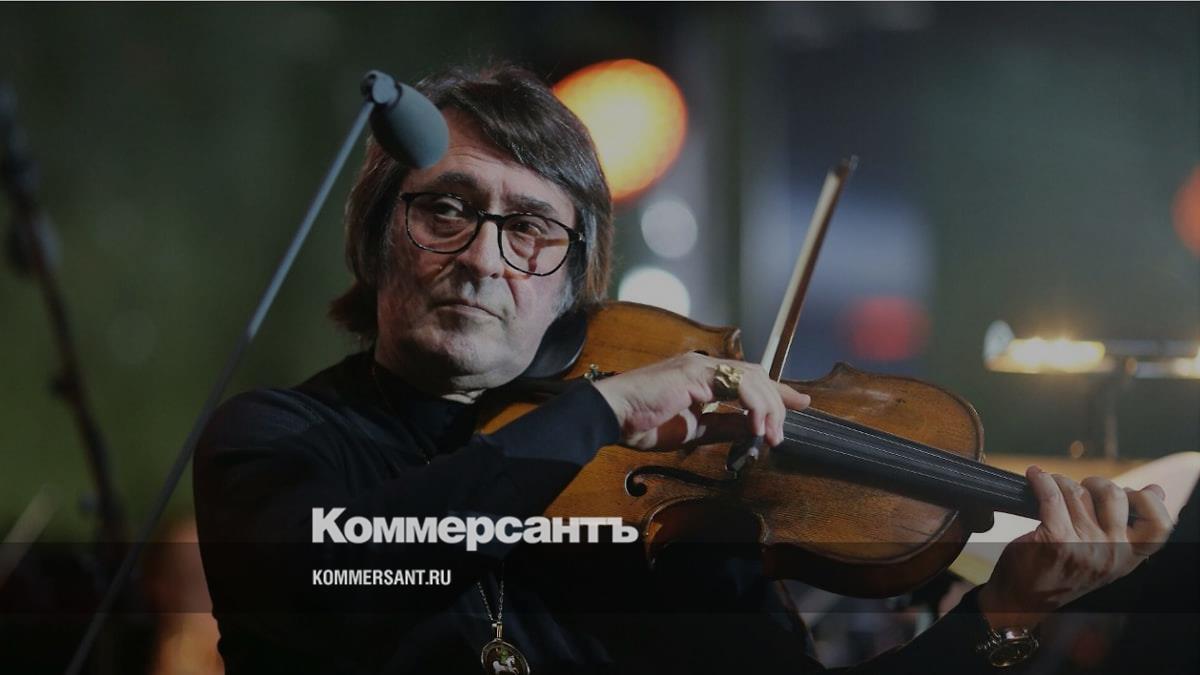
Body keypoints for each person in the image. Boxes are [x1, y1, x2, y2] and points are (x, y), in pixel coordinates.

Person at [193, 64, 1175, 675]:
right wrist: (602, 411)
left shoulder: (666, 515)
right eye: (445, 209)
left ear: (573, 284)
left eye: (530, 229)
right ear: (377, 239)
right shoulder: (277, 439)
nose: (485, 257)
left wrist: (1005, 613)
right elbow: (343, 577)